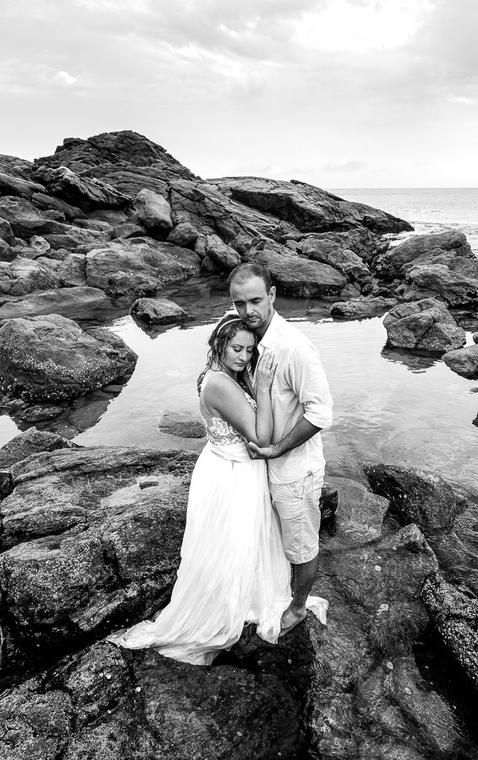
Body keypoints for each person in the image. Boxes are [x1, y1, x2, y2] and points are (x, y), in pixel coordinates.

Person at [108, 314, 326, 665]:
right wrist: (267, 387)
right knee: (232, 544)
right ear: (219, 345)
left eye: (250, 350)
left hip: (233, 467)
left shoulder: (224, 375)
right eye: (236, 348)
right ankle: (224, 606)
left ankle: (245, 596)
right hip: (233, 475)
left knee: (239, 543)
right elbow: (262, 436)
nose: (243, 356)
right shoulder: (221, 385)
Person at [229, 262, 333, 634]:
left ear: (272, 295)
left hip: (293, 469)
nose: (247, 311)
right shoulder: (249, 339)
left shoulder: (294, 348)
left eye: (255, 300)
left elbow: (322, 412)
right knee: (272, 539)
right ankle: (273, 592)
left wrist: (278, 449)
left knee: (301, 546)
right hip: (262, 467)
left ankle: (300, 606)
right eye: (239, 304)